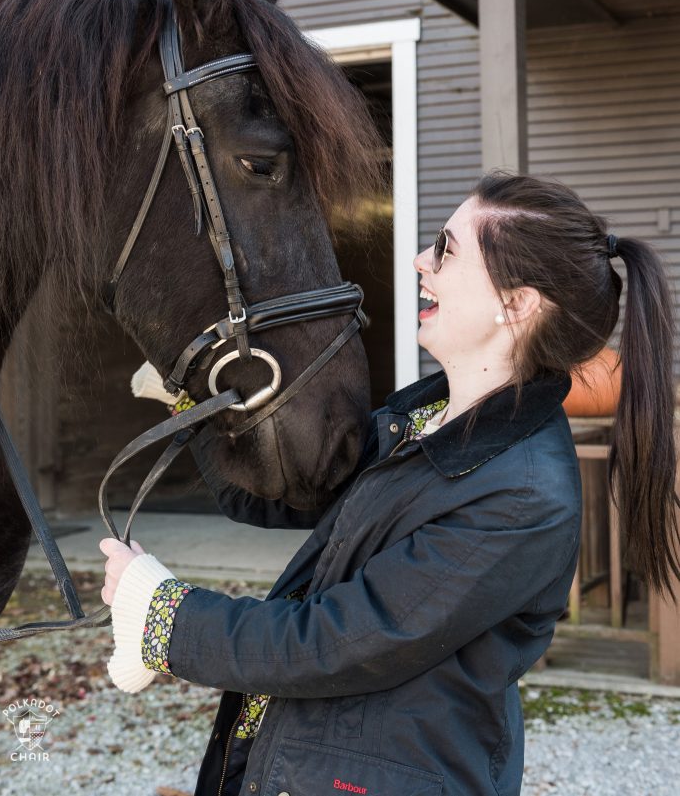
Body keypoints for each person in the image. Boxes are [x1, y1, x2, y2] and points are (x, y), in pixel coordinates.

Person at [100, 170, 680, 796]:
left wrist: (166, 615)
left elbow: (333, 641)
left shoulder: (523, 497)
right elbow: (281, 492)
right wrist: (197, 402)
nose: (419, 261)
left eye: (446, 249)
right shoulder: (423, 419)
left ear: (514, 303)